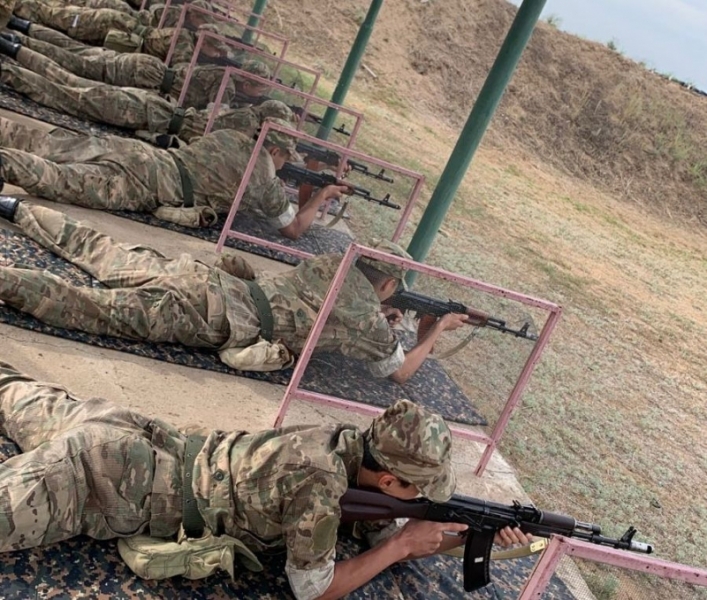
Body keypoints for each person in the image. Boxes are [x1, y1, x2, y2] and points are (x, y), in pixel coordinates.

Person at [0, 363, 530, 599]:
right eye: (418, 489)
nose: (422, 498)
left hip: (132, 433)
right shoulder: (320, 485)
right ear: (389, 479)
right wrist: (401, 547)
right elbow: (314, 588)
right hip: (101, 481)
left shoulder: (346, 444)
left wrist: (473, 538)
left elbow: (389, 529)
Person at [0, 202, 471, 380]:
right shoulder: (366, 316)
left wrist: (380, 319)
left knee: (103, 250)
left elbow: (332, 308)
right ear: (387, 284)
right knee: (87, 306)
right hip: (211, 314)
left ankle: (18, 208)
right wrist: (436, 331)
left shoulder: (331, 263)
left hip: (209, 280)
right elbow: (397, 372)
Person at [0, 119, 342, 238]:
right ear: (276, 150)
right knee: (57, 178)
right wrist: (322, 194)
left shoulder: (232, 136)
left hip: (142, 154)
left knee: (48, 144)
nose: (284, 166)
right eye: (285, 159)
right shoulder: (264, 178)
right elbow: (293, 229)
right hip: (147, 185)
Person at [0, 47, 289, 143]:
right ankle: (8, 63)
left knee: (71, 76)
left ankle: (14, 47)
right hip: (149, 104)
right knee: (67, 90)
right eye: (260, 87)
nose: (258, 93)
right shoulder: (229, 93)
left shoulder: (223, 77)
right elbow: (213, 118)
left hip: (152, 95)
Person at [0, 29, 245, 109]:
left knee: (76, 55)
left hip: (145, 68)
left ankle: (17, 38)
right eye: (217, 51)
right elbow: (214, 114)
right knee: (74, 70)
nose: (217, 55)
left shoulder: (207, 62)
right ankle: (14, 44)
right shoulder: (222, 77)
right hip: (146, 74)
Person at [9, 0, 229, 63]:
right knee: (58, 17)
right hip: (115, 23)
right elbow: (182, 67)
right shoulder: (184, 41)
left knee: (59, 14)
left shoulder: (183, 30)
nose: (215, 54)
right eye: (215, 49)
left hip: (121, 22)